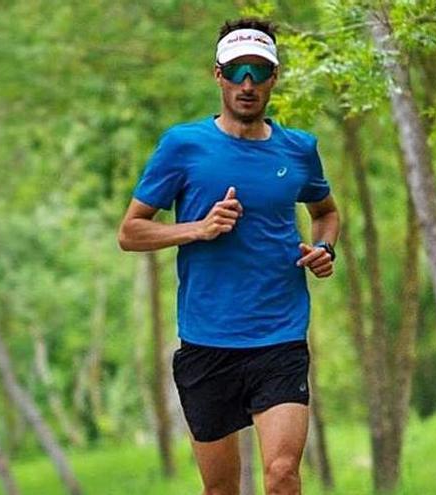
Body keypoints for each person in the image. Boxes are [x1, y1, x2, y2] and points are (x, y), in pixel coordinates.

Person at [118, 18, 340, 495]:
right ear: (217, 74)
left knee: (282, 476)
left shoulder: (299, 150)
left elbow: (325, 212)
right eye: (237, 70)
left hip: (279, 336)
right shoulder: (183, 145)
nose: (247, 83)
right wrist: (198, 228)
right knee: (221, 490)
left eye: (258, 72)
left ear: (273, 78)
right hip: (207, 340)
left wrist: (324, 248)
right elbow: (130, 232)